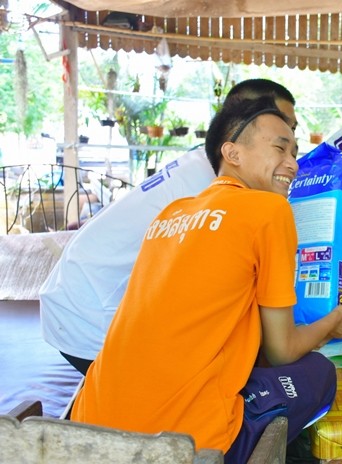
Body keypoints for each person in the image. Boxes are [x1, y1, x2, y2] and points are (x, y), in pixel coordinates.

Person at [71, 96, 342, 463]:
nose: (292, 163)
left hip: (87, 427)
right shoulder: (269, 209)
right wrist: (335, 320)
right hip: (183, 445)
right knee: (318, 370)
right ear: (233, 153)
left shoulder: (171, 214)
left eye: (295, 151)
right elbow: (282, 349)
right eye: (280, 147)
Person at [39, 79, 298, 375]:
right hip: (91, 311)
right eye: (280, 135)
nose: (288, 139)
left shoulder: (208, 165)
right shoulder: (219, 189)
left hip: (77, 291)